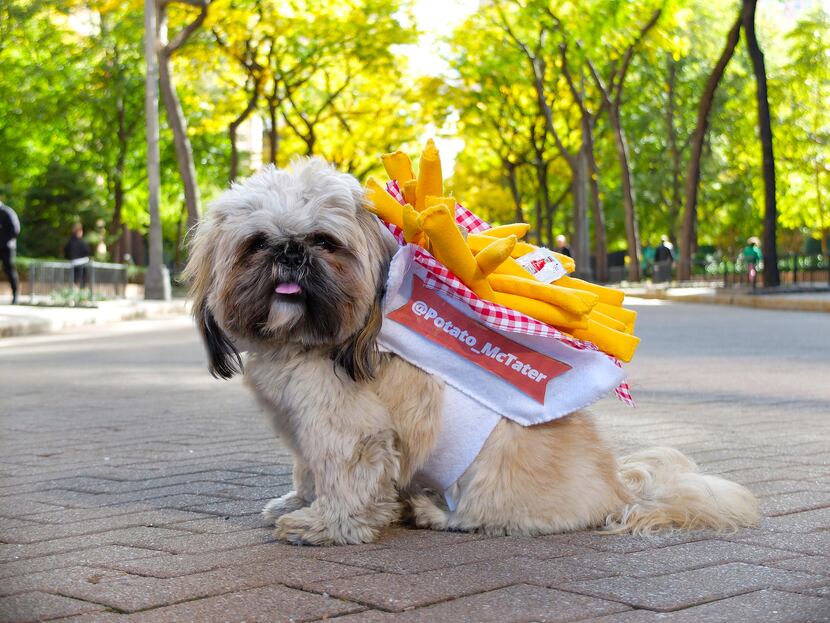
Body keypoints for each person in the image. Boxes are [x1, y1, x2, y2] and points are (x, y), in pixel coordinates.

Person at [0, 201, 20, 304]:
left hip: (7, 248)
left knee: (9, 270)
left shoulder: (7, 212)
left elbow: (15, 229)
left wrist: (3, 242)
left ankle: (15, 295)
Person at [64, 222, 92, 288]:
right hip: (79, 266)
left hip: (73, 265)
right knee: (78, 281)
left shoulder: (70, 242)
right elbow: (87, 251)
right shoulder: (80, 242)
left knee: (74, 280)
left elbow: (66, 253)